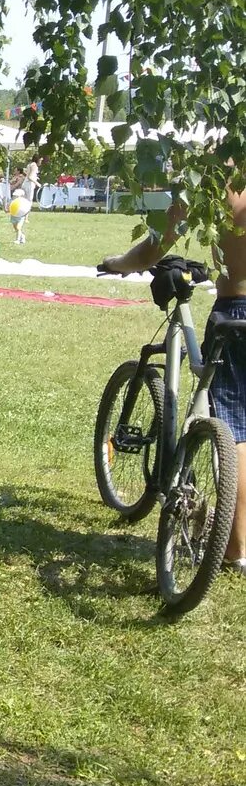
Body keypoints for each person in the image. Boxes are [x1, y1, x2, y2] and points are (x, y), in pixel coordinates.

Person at [103, 188, 246, 567]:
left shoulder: (218, 177)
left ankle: (233, 549)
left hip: (237, 310)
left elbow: (156, 245)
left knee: (236, 431)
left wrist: (120, 263)